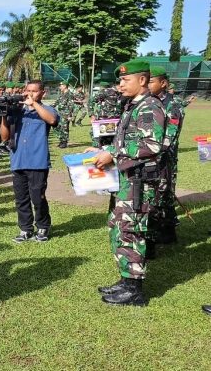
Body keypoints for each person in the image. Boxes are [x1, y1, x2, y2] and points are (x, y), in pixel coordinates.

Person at [90, 60, 166, 307]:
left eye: (125, 80)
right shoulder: (133, 106)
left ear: (142, 80)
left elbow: (152, 145)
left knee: (132, 232)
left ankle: (135, 290)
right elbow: (127, 140)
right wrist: (106, 149)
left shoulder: (150, 106)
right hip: (127, 181)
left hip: (138, 184)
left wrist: (114, 154)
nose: (120, 84)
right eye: (120, 80)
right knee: (119, 228)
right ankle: (126, 279)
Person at [0, 80, 59, 243]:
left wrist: (34, 104)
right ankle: (25, 228)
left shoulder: (47, 109)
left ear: (42, 93)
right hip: (18, 160)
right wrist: (4, 117)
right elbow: (4, 137)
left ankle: (43, 225)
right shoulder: (17, 110)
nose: (30, 93)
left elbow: (52, 120)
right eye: (28, 90)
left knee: (37, 197)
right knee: (21, 198)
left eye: (34, 91)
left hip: (37, 161)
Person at [147, 66, 184, 247]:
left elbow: (170, 136)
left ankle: (167, 232)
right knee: (157, 196)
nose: (147, 85)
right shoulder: (149, 102)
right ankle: (164, 231)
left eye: (151, 81)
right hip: (151, 158)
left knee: (164, 195)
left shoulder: (173, 104)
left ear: (163, 83)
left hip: (164, 160)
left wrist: (149, 152)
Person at [52, 82, 73, 148]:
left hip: (66, 114)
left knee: (64, 128)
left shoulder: (69, 94)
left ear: (65, 86)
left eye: (61, 86)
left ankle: (64, 142)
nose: (60, 87)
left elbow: (71, 105)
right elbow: (56, 102)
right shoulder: (62, 94)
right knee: (57, 127)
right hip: (60, 113)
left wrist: (69, 115)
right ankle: (61, 140)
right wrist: (49, 107)